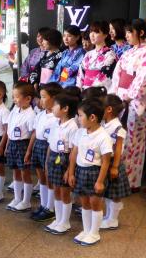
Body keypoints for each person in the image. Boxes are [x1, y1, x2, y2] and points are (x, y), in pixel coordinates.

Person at [69, 98, 112, 246]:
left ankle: (94, 233)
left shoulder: (103, 136)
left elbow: (106, 161)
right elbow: (74, 153)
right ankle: (87, 230)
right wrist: (71, 172)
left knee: (95, 203)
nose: (78, 118)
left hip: (95, 173)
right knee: (84, 202)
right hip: (80, 170)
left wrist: (100, 181)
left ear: (92, 117)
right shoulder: (80, 132)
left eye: (80, 115)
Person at [109, 19, 146, 191]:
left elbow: (142, 79)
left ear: (141, 33)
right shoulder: (128, 52)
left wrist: (129, 96)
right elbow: (118, 74)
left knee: (134, 141)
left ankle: (132, 181)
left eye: (130, 32)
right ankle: (118, 177)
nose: (127, 36)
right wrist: (115, 94)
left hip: (135, 102)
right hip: (121, 98)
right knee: (119, 138)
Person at [26, 83, 63, 222]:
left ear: (54, 98)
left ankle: (51, 208)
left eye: (43, 97)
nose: (40, 100)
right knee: (41, 177)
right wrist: (29, 150)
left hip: (50, 148)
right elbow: (35, 133)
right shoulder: (41, 114)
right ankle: (43, 204)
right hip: (38, 146)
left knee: (49, 178)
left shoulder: (57, 117)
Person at [44, 92, 80, 235]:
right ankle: (58, 219)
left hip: (65, 160)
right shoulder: (55, 123)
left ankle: (65, 222)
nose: (52, 108)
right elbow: (50, 144)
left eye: (55, 105)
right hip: (53, 157)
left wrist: (69, 171)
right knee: (56, 190)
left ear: (65, 109)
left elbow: (72, 151)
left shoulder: (72, 127)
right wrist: (47, 163)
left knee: (65, 192)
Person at [101, 94, 131, 230]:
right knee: (108, 193)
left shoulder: (118, 128)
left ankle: (113, 219)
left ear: (108, 109)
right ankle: (108, 216)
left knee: (114, 194)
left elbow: (118, 149)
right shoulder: (104, 124)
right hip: (105, 162)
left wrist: (115, 167)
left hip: (114, 163)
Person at [5, 82, 36, 212]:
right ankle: (17, 198)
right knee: (15, 172)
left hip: (23, 144)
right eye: (13, 96)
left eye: (17, 96)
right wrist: (7, 146)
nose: (14, 99)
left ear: (28, 98)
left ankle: (26, 201)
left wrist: (29, 151)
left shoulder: (31, 114)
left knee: (25, 173)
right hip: (13, 143)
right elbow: (9, 130)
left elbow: (33, 134)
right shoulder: (14, 110)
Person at [76, 21, 117, 90]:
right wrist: (79, 89)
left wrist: (90, 91)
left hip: (98, 93)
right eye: (91, 32)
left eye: (96, 32)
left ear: (105, 35)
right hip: (84, 91)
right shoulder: (88, 54)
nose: (92, 35)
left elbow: (105, 77)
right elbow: (81, 74)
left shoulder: (110, 55)